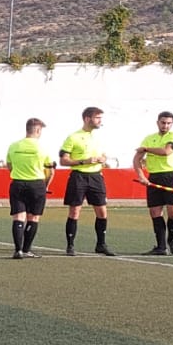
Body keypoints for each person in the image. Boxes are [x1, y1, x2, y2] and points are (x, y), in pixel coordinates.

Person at [58, 106, 114, 256]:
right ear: (87, 119)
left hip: (96, 176)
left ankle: (101, 244)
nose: (100, 121)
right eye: (97, 118)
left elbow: (101, 154)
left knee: (102, 211)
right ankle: (70, 245)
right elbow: (63, 161)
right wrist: (84, 161)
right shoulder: (73, 137)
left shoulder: (98, 137)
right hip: (79, 176)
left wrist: (103, 158)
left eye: (101, 118)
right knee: (75, 211)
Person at [133, 111, 173, 255]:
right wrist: (142, 176)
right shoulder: (149, 139)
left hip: (172, 177)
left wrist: (147, 149)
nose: (165, 125)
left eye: (168, 123)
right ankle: (161, 247)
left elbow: (166, 152)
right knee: (155, 212)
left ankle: (171, 239)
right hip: (154, 177)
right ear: (157, 122)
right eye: (163, 122)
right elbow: (137, 159)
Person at [6, 117, 54, 259]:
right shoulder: (42, 148)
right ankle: (26, 249)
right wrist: (46, 186)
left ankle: (18, 250)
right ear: (38, 130)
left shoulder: (14, 146)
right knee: (33, 218)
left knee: (18, 217)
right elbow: (50, 170)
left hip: (18, 183)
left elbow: (9, 165)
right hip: (36, 184)